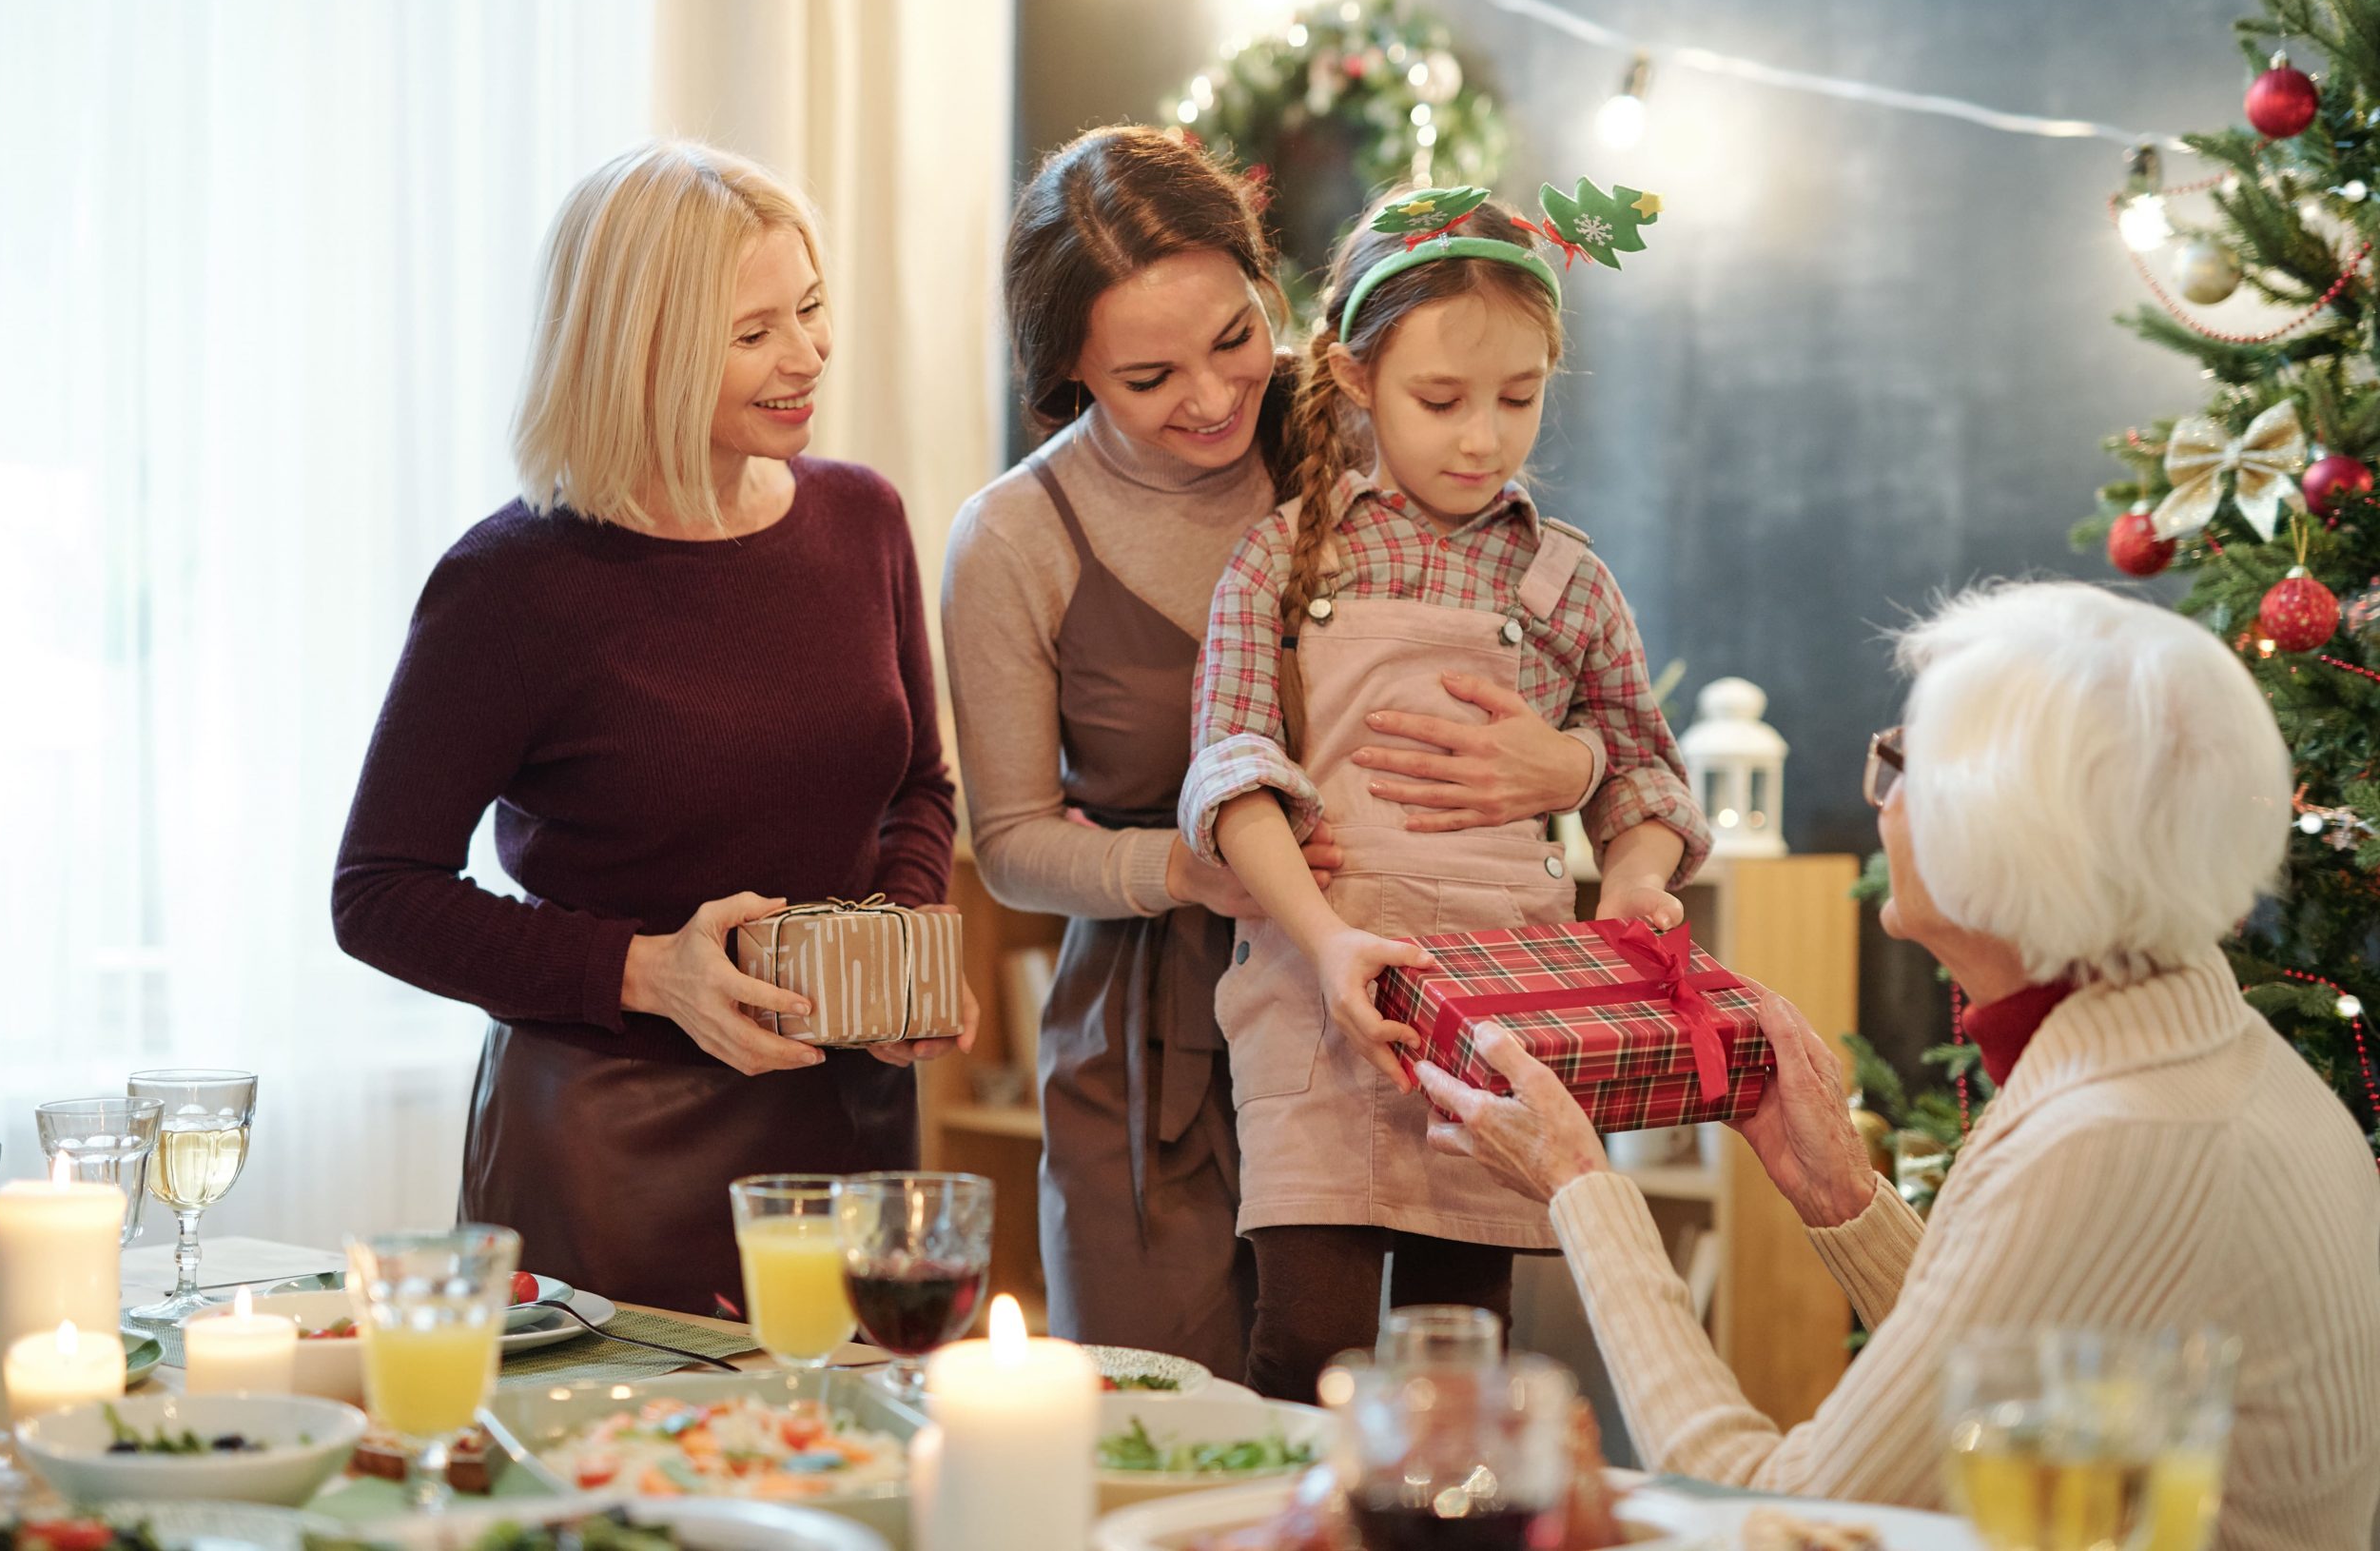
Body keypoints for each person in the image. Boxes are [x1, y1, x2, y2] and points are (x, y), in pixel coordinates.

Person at [1423, 580, 2380, 1549]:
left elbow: (1792, 1516)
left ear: (1997, 833)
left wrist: (1583, 1190)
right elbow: (2010, 1356)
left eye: (1900, 762)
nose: (1883, 792)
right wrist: (1845, 1196)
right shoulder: (2196, 1046)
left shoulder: (2119, 1132)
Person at [944, 128, 1609, 1377]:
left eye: (1235, 338)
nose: (1208, 397)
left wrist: (1564, 767)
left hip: (1396, 1007)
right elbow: (1012, 844)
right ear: (1067, 373)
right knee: (1176, 1428)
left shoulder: (1367, 416)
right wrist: (1190, 870)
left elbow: (1563, 642)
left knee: (1409, 1435)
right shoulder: (1014, 540)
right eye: (1147, 376)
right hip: (1159, 1054)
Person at [334, 142, 966, 1316]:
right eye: (754, 331)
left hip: (852, 1118)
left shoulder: (862, 516)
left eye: (812, 310)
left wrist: (905, 945)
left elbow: (918, 785)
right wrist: (648, 971)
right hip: (614, 1144)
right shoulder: (512, 584)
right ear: (645, 348)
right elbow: (377, 890)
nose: (808, 355)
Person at [1176, 186, 1710, 1403]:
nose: (1483, 438)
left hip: (1502, 1008)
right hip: (1318, 998)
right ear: (1358, 380)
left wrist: (1633, 883)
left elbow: (1644, 769)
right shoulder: (1284, 556)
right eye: (1441, 400)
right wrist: (1323, 939)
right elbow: (1228, 769)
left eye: (1517, 400)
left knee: (1460, 1357)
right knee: (1304, 1346)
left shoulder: (1567, 582)